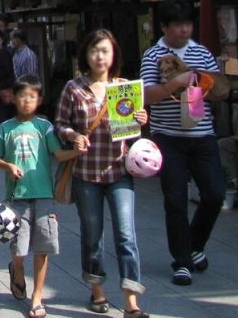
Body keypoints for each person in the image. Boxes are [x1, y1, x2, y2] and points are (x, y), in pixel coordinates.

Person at [56, 29, 149, 318]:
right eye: (95, 50)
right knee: (92, 235)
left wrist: (141, 119)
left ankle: (131, 300)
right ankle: (97, 291)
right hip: (86, 174)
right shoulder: (74, 88)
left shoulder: (123, 87)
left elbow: (130, 133)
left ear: (113, 55)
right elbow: (59, 123)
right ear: (86, 54)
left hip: (119, 171)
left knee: (126, 235)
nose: (100, 56)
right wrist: (73, 135)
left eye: (105, 51)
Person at [140, 0, 229, 286]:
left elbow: (220, 91)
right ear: (164, 27)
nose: (183, 29)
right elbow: (144, 96)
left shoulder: (201, 52)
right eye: (177, 24)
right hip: (168, 138)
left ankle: (194, 244)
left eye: (187, 24)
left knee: (215, 194)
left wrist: (202, 80)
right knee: (175, 200)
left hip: (202, 134)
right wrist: (173, 84)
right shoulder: (153, 55)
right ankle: (182, 260)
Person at [0, 75, 85, 318]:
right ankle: (17, 270)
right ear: (14, 98)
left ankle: (37, 297)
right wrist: (8, 166)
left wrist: (75, 151)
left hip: (44, 194)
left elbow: (57, 154)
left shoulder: (45, 127)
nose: (27, 101)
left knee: (43, 248)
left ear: (39, 100)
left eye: (32, 97)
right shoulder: (5, 128)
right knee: (19, 249)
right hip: (16, 197)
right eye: (22, 96)